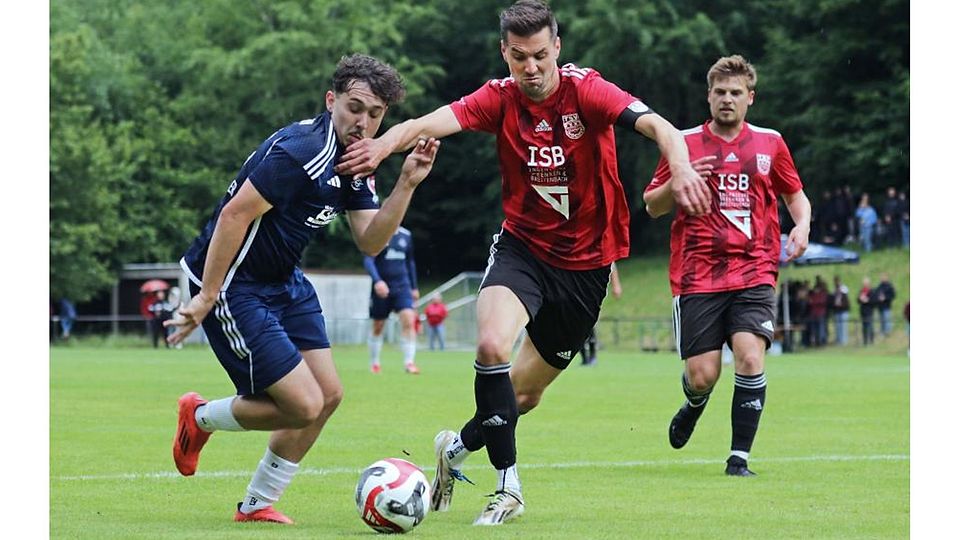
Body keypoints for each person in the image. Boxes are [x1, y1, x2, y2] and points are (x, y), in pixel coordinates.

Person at [336, 0, 707, 525]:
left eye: (539, 56)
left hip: (586, 268)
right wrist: (379, 147)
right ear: (504, 53)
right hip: (523, 249)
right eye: (517, 58)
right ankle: (508, 487)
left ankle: (455, 450)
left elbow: (665, 130)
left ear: (556, 47)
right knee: (491, 345)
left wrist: (684, 169)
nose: (529, 69)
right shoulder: (499, 98)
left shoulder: (588, 91)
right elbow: (426, 122)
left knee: (523, 396)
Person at [162, 54, 440, 525]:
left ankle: (255, 505)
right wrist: (206, 296)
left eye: (375, 114)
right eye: (355, 107)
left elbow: (371, 239)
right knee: (302, 404)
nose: (364, 122)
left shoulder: (357, 159)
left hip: (284, 280)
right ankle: (200, 416)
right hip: (234, 283)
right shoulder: (301, 152)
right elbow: (233, 215)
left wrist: (407, 184)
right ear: (332, 101)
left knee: (328, 395)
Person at [643, 54, 811, 476]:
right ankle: (694, 403)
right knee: (702, 375)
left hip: (755, 268)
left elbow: (795, 196)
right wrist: (678, 180)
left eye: (736, 93)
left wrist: (803, 225)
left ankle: (739, 459)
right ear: (708, 96)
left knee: (750, 356)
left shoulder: (771, 142)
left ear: (750, 98)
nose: (727, 99)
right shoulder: (682, 144)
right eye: (720, 92)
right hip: (697, 273)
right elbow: (651, 206)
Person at [365, 226, 421, 374]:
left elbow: (410, 262)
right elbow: (368, 260)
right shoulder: (379, 232)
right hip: (382, 288)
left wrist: (414, 287)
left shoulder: (406, 235)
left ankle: (409, 362)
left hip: (403, 287)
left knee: (409, 320)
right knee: (378, 325)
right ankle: (375, 362)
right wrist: (377, 281)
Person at [580, 261, 623, 366]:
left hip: (592, 291)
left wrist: (616, 285)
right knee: (577, 325)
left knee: (590, 324)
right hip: (577, 289)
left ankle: (592, 356)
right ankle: (584, 358)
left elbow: (611, 263)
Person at [830, 275, 851, 345]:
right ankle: (839, 340)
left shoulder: (844, 289)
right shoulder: (834, 291)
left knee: (843, 326)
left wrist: (841, 304)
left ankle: (844, 341)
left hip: (843, 310)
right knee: (838, 327)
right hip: (837, 311)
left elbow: (846, 300)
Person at [874, 272, 896, 337]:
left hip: (886, 306)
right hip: (880, 306)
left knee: (887, 320)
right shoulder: (879, 286)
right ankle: (882, 332)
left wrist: (885, 298)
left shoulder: (890, 286)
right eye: (881, 277)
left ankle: (887, 333)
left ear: (887, 278)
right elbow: (876, 293)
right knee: (881, 320)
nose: (882, 278)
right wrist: (878, 298)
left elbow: (893, 295)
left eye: (883, 277)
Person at [858, 276, 876, 345]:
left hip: (869, 311)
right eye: (864, 283)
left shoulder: (871, 291)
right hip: (863, 311)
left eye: (866, 283)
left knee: (870, 326)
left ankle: (871, 341)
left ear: (868, 284)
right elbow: (858, 300)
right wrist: (861, 299)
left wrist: (867, 300)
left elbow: (874, 301)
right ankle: (865, 341)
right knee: (864, 327)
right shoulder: (861, 291)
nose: (864, 285)